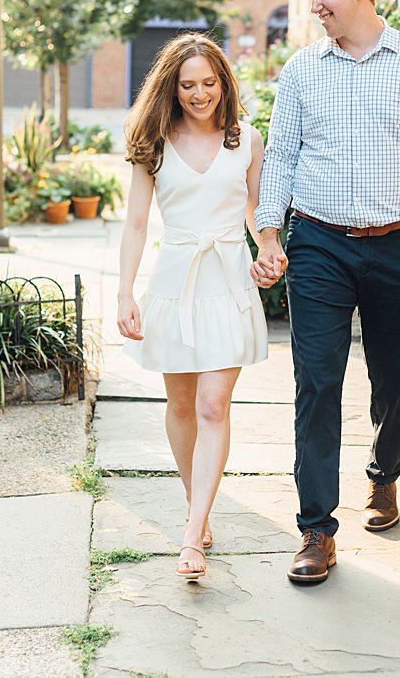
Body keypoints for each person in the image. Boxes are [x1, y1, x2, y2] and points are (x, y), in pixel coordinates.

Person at [251, 0, 400, 585]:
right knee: (316, 382)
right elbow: (280, 156)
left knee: (395, 381)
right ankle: (316, 529)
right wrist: (268, 233)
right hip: (320, 246)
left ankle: (384, 475)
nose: (313, 5)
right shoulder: (303, 71)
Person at [117, 33, 270, 582]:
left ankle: (191, 534)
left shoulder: (247, 140)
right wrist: (124, 292)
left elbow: (256, 211)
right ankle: (197, 504)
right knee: (181, 407)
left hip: (228, 282)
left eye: (209, 83)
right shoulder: (153, 142)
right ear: (172, 88)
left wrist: (270, 250)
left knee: (212, 406)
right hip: (174, 283)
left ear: (223, 84)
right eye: (188, 85)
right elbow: (136, 223)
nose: (199, 94)